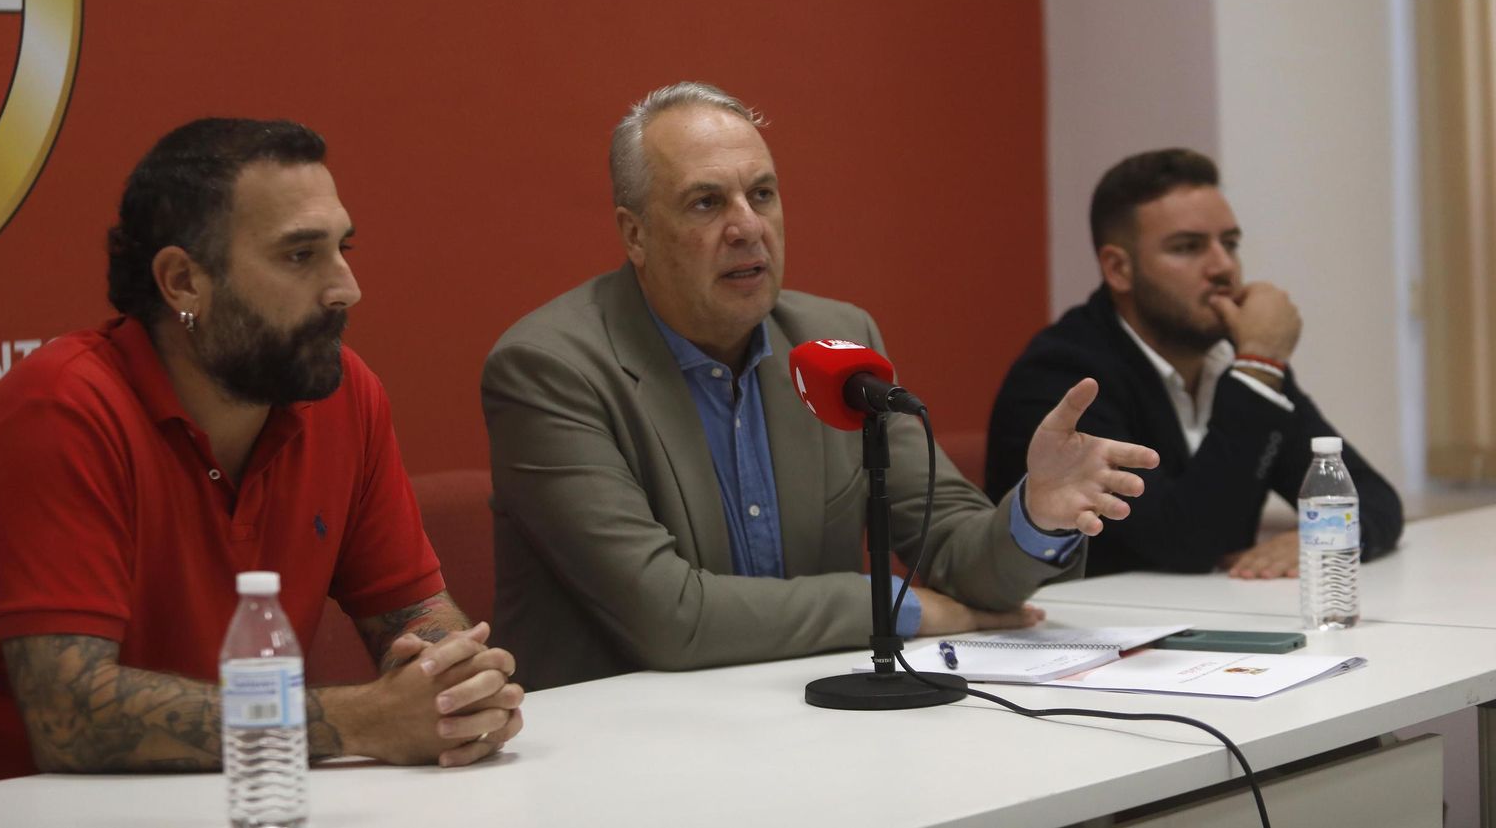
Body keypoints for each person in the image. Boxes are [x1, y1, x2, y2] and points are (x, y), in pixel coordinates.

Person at [0, 118, 522, 793]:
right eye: (299, 256)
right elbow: (69, 717)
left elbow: (412, 613)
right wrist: (361, 720)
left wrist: (456, 685)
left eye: (343, 248)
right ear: (183, 282)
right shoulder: (60, 409)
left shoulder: (343, 395)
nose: (346, 288)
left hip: (225, 796)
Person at [482, 82, 1159, 690]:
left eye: (763, 194)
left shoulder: (836, 339)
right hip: (618, 748)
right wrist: (897, 604)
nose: (747, 227)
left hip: (809, 719)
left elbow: (957, 548)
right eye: (706, 202)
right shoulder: (550, 368)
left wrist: (1035, 514)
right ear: (636, 234)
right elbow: (670, 617)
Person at [984, 148, 1402, 578]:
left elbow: (1371, 496)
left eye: (1231, 244)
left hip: (1208, 620)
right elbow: (1185, 544)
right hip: (1090, 635)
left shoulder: (1234, 362)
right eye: (1188, 247)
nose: (1223, 267)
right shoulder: (1065, 376)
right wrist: (1259, 366)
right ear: (1118, 269)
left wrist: (1329, 534)